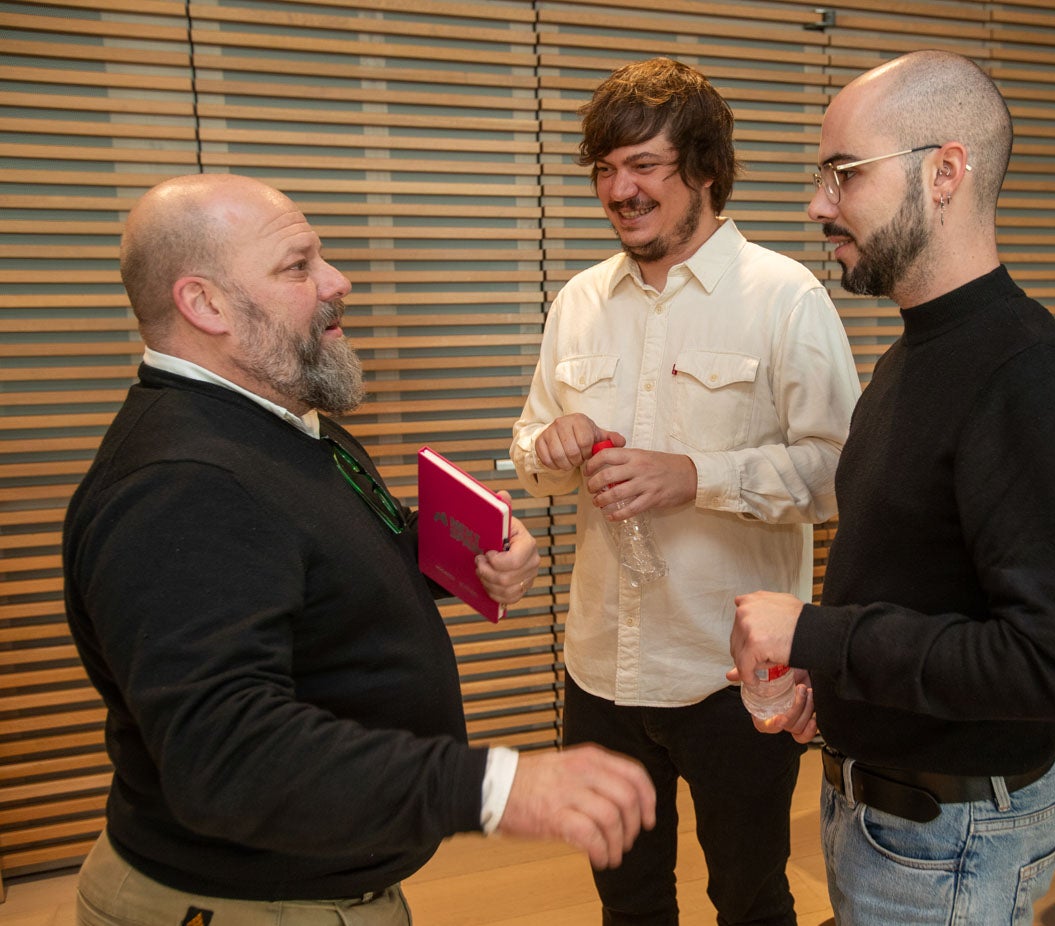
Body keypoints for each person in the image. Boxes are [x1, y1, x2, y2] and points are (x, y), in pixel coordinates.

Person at [63, 173, 656, 926]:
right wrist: (498, 789)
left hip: (324, 886)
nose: (336, 282)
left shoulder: (276, 422)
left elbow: (312, 554)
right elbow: (229, 756)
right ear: (203, 304)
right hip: (245, 905)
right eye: (298, 266)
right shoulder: (182, 487)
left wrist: (457, 554)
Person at [729, 50, 1055, 925]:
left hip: (950, 841)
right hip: (886, 812)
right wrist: (830, 684)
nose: (817, 205)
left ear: (945, 171)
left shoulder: (1031, 380)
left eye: (843, 174)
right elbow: (919, 591)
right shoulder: (908, 358)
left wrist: (821, 636)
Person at [509, 58, 860, 925]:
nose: (617, 189)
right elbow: (533, 452)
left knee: (748, 896)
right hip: (598, 669)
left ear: (704, 169)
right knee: (625, 900)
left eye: (642, 167)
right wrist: (549, 450)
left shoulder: (786, 297)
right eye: (603, 168)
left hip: (730, 675)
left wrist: (698, 478)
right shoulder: (580, 301)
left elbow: (838, 473)